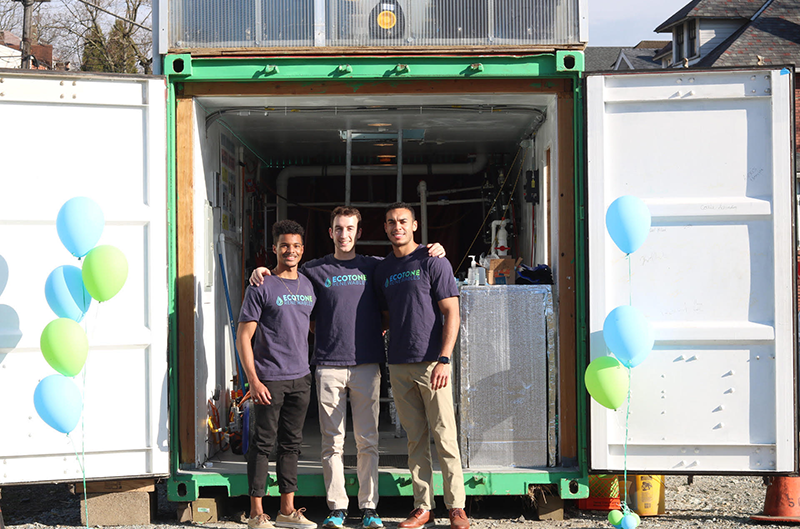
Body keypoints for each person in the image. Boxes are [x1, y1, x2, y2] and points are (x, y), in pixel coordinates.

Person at [250, 207, 446, 529]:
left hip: (367, 365)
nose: (344, 235)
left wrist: (433, 249)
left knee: (368, 441)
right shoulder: (315, 269)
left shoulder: (374, 267)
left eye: (350, 228)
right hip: (328, 366)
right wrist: (261, 270)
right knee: (333, 443)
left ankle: (369, 508)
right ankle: (337, 508)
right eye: (338, 229)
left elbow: (406, 262)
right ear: (331, 233)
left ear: (358, 231)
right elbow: (287, 279)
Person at [374, 203, 469, 529]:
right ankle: (422, 507)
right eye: (390, 222)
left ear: (414, 225)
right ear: (385, 228)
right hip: (399, 364)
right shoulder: (383, 269)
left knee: (445, 436)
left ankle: (456, 507)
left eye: (402, 221)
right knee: (415, 441)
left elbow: (452, 312)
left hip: (432, 363)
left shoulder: (433, 260)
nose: (396, 226)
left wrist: (445, 358)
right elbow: (385, 313)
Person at [237, 219, 318, 529]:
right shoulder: (261, 285)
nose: (291, 251)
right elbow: (244, 336)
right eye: (285, 245)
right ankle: (256, 513)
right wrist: (253, 381)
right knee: (262, 443)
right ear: (274, 248)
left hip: (301, 377)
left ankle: (287, 510)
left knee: (291, 444)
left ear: (302, 249)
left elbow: (311, 326)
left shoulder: (308, 285)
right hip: (269, 378)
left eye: (296, 246)